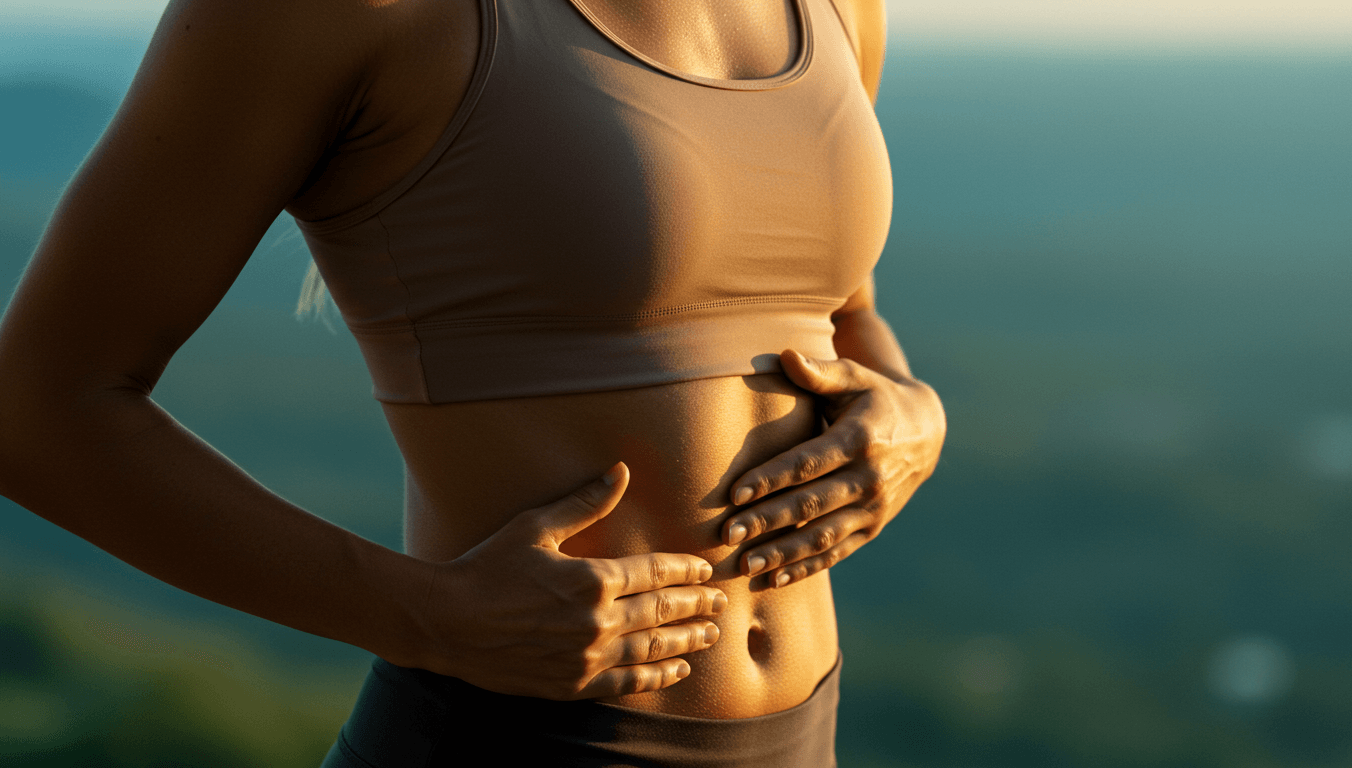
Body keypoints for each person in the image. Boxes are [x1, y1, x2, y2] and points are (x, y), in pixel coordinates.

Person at [0, 0, 944, 764]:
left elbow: (840, 310)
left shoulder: (837, 6)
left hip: (801, 737)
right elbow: (36, 406)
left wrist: (911, 407)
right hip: (518, 742)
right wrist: (429, 618)